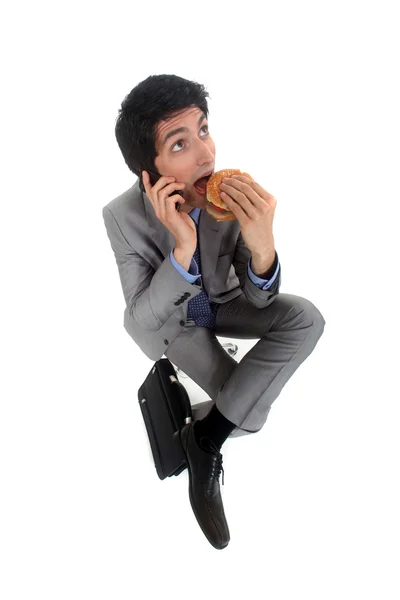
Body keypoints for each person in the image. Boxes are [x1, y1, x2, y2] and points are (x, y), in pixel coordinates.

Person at [102, 74, 326, 550]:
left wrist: (263, 249)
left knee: (305, 317)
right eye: (180, 143)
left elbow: (261, 298)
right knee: (248, 418)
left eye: (204, 130)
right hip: (174, 322)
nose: (206, 154)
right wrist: (182, 249)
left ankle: (201, 437)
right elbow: (142, 314)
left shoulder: (229, 194)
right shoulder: (120, 216)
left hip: (223, 304)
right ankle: (209, 431)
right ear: (150, 171)